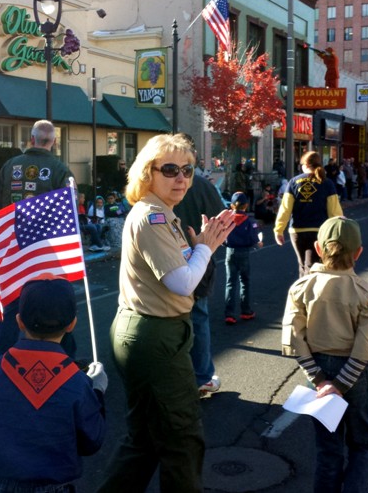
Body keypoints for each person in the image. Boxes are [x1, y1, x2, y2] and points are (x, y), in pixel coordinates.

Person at [98, 134, 235, 493]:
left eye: (188, 170)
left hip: (146, 331)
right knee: (182, 438)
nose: (181, 178)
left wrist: (202, 246)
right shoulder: (153, 217)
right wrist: (204, 248)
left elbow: (178, 271)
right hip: (154, 335)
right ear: (147, 173)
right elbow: (181, 282)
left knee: (144, 439)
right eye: (170, 169)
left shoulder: (161, 213)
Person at [0, 275, 107, 493]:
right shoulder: (76, 381)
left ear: (19, 321)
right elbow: (92, 440)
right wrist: (98, 392)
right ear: (72, 324)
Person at [281, 217, 368, 493]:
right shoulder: (367, 294)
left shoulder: (300, 288)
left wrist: (321, 381)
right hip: (354, 374)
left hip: (318, 369)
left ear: (318, 247)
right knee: (362, 444)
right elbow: (365, 348)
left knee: (328, 448)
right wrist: (341, 384)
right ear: (359, 252)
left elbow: (294, 339)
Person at [0, 120, 75, 361]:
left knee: (12, 311)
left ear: (31, 140)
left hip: (15, 250)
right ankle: (63, 360)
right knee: (55, 306)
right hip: (47, 253)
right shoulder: (60, 170)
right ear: (54, 142)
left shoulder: (9, 166)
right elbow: (68, 215)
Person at [172, 133, 227, 399]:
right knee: (197, 317)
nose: (179, 179)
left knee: (168, 316)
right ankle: (201, 376)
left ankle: (182, 375)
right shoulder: (203, 186)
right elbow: (223, 222)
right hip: (196, 256)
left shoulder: (159, 181)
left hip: (167, 256)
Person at [274, 151, 343, 277]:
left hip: (297, 230)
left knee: (302, 265)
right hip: (320, 230)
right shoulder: (327, 183)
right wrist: (338, 232)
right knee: (314, 266)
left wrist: (279, 230)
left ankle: (302, 293)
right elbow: (334, 211)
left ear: (305, 164)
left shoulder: (294, 182)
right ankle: (311, 294)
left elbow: (285, 209)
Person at [223, 192, 263, 326]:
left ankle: (229, 314)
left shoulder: (228, 220)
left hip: (230, 252)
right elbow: (254, 239)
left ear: (232, 205)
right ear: (246, 205)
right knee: (244, 282)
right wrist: (258, 243)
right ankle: (246, 311)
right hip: (244, 252)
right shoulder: (250, 221)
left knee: (230, 283)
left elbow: (222, 238)